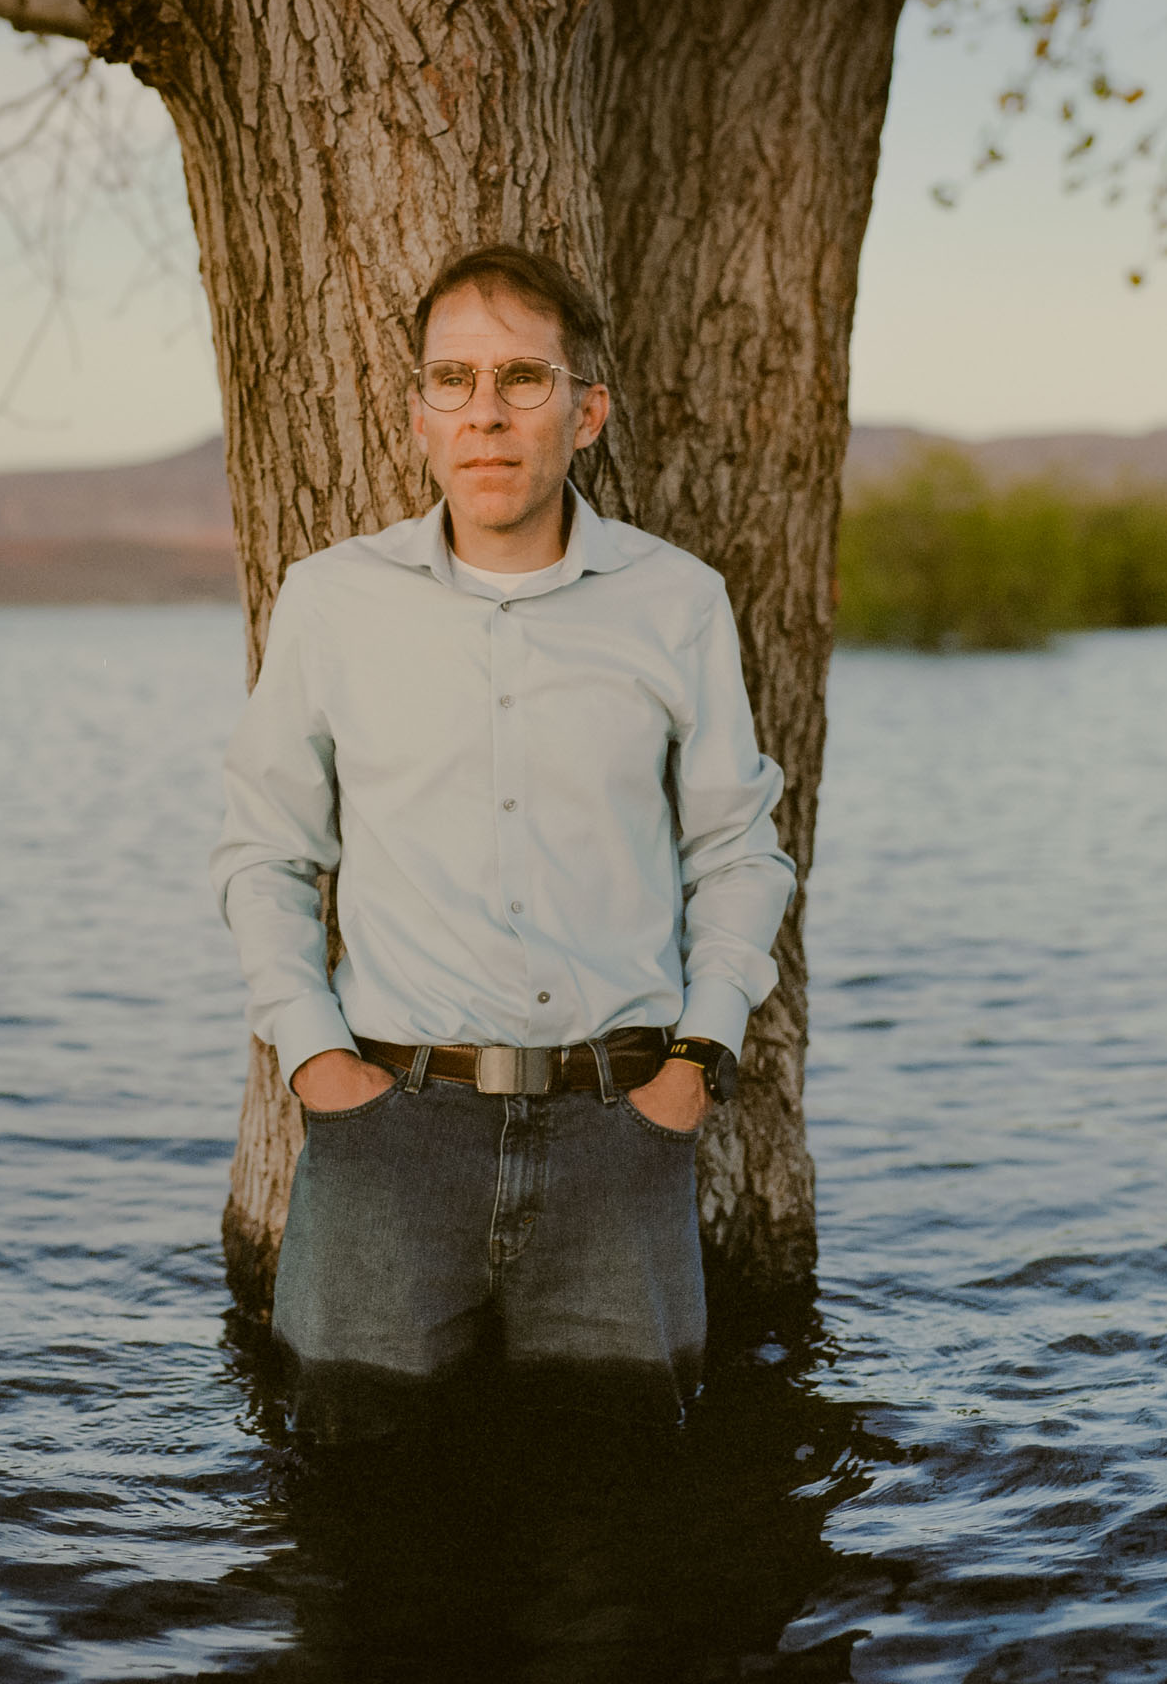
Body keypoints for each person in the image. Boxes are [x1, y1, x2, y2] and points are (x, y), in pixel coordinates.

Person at [211, 244, 795, 1442]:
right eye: (454, 380)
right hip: (389, 1134)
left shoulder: (677, 602)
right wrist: (318, 1062)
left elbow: (739, 851)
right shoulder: (333, 601)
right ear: (418, 415)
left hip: (620, 1134)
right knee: (354, 1507)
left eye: (523, 378)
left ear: (587, 413)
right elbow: (265, 851)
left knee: (623, 1509)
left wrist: (695, 1067)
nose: (486, 412)